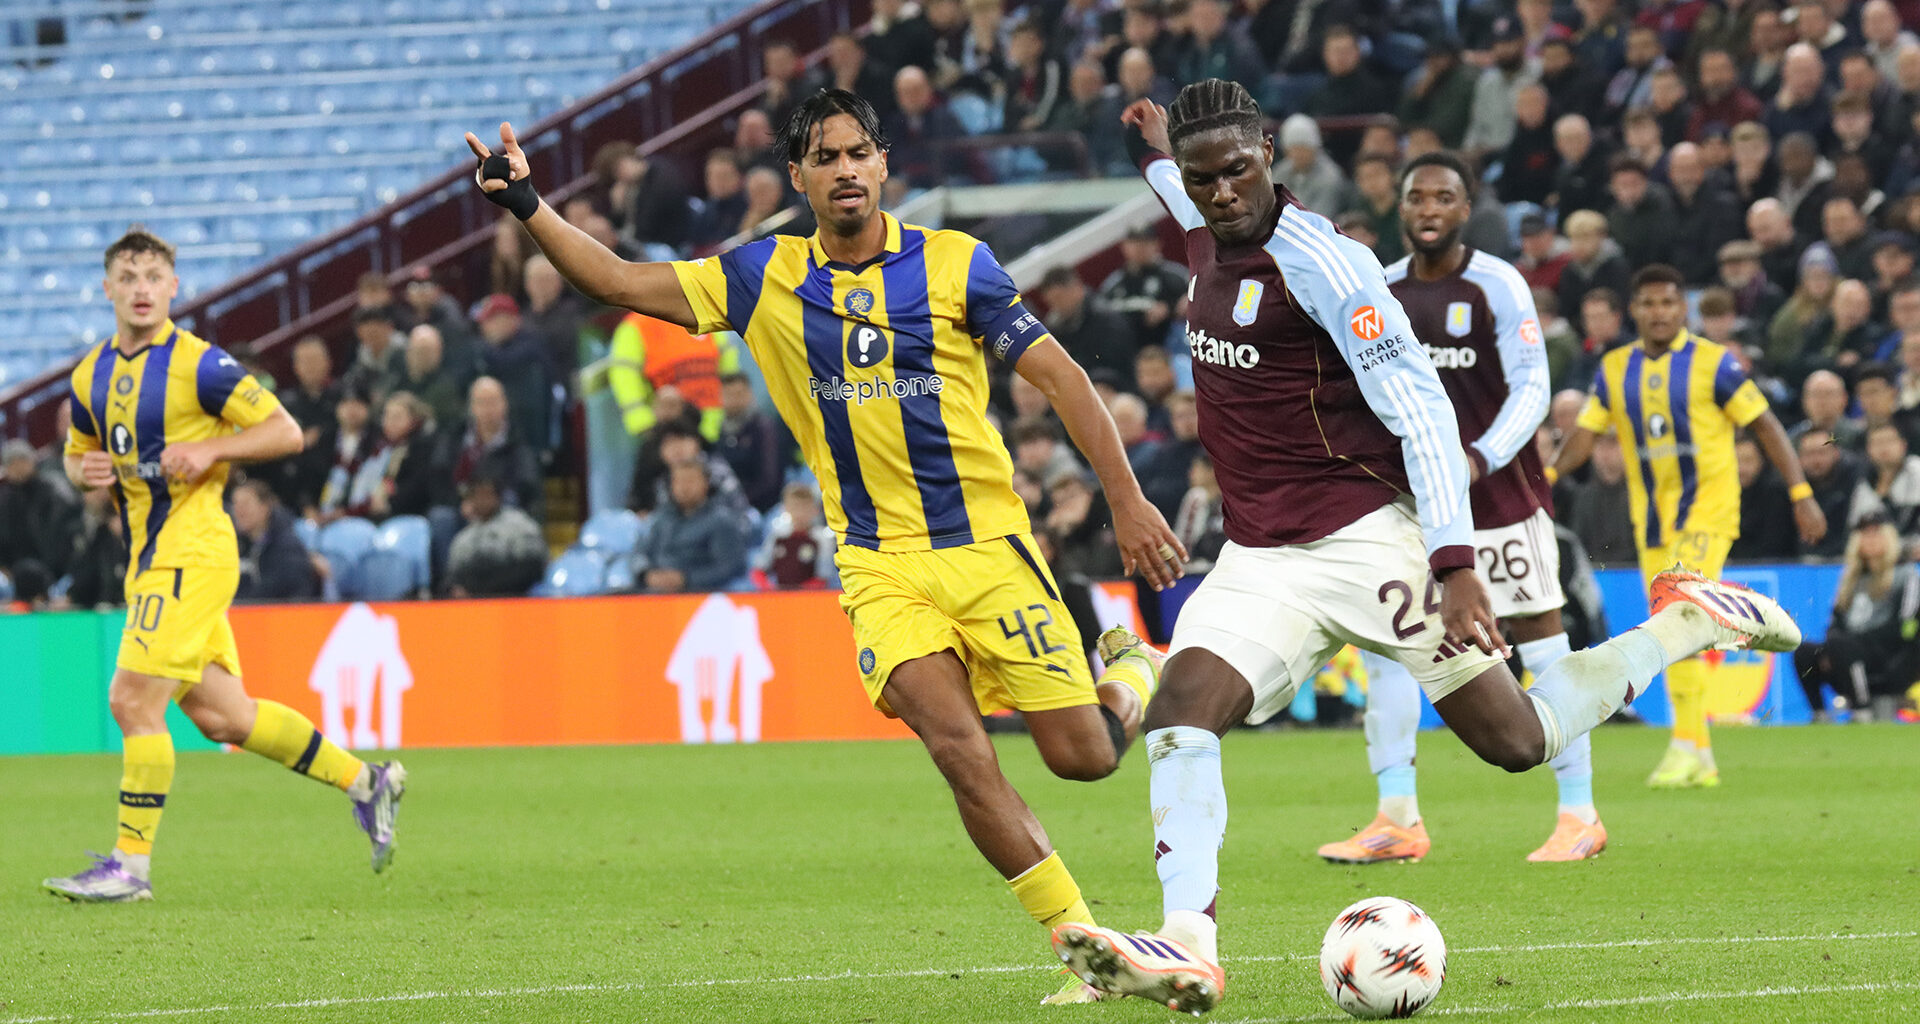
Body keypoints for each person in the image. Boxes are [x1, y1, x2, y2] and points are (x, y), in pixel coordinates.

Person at [1049, 82, 1805, 1013]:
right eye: (1203, 180)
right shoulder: (1205, 225)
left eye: (1238, 171)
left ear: (1269, 158)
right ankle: (1188, 946)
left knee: (1518, 741)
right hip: (1260, 559)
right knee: (1180, 715)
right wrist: (1156, 147)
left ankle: (1690, 623)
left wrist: (1454, 567)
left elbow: (1421, 414)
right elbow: (1178, 186)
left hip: (1370, 545)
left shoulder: (1329, 267)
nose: (1220, 193)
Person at [467, 89, 1186, 1005]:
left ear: (883, 163)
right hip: (879, 564)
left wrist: (1126, 502)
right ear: (799, 177)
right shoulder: (760, 275)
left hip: (989, 548)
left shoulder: (959, 265)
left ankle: (1128, 671)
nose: (846, 169)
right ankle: (1082, 944)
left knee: (1082, 758)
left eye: (859, 152)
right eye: (825, 156)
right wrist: (528, 204)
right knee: (959, 749)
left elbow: (1062, 377)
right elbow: (614, 280)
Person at [44, 229, 404, 903]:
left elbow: (286, 431)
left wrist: (214, 453)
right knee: (225, 719)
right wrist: (79, 469)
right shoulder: (90, 374)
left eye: (154, 274)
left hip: (196, 549)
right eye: (129, 276)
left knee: (130, 700)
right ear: (108, 289)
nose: (142, 287)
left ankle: (130, 867)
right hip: (150, 557)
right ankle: (368, 782)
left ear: (174, 286)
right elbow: (76, 451)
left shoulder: (201, 366)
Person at [1328, 150, 1600, 866]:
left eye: (1443, 198)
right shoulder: (1378, 288)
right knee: (1388, 651)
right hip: (1411, 509)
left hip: (1502, 499)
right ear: (1402, 208)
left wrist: (1478, 458)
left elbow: (1532, 388)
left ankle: (1580, 814)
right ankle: (1396, 818)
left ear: (1466, 207)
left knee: (1540, 642)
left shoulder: (1496, 283)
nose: (1427, 210)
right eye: (1416, 197)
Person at [1548, 264, 1827, 790]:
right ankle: (1698, 752)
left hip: (1709, 511)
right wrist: (1543, 477)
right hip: (1651, 520)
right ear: (1634, 311)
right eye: (1648, 303)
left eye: (1668, 303)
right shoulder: (1613, 369)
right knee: (1674, 628)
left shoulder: (1713, 364)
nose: (1658, 313)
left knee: (1681, 611)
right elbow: (1585, 434)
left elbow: (1765, 425)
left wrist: (1801, 491)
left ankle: (1686, 746)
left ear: (1684, 309)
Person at [1794, 512, 1920, 719]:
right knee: (1805, 652)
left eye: (1875, 534)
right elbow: (1835, 623)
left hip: (1893, 656)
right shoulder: (1850, 580)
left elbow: (1905, 626)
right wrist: (1831, 648)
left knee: (1843, 646)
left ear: (1889, 537)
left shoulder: (1906, 575)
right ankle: (1819, 713)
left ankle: (1863, 710)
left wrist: (1851, 643)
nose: (1869, 540)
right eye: (1864, 534)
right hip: (1847, 653)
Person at [640, 460, 751, 593]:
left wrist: (686, 579)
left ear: (706, 483)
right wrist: (645, 574)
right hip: (654, 593)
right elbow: (640, 552)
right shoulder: (662, 518)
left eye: (690, 481)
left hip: (701, 595)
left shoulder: (721, 520)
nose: (684, 487)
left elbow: (730, 567)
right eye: (678, 481)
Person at [444, 473, 547, 598]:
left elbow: (533, 565)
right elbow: (453, 578)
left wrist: (486, 587)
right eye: (478, 495)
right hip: (474, 604)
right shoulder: (464, 538)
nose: (483, 500)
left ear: (498, 497)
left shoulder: (520, 525)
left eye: (487, 494)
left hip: (515, 598)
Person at [231, 478, 321, 602]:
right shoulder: (236, 544)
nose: (238, 511)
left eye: (245, 504)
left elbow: (285, 591)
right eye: (235, 504)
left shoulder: (287, 548)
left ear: (265, 508)